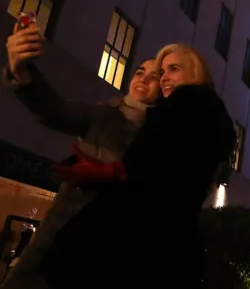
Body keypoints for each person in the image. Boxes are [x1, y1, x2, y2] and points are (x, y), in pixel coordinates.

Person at [42, 43, 236, 289]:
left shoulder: (189, 101)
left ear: (195, 72)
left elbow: (156, 167)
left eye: (173, 69)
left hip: (137, 240)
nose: (164, 77)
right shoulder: (202, 112)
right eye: (162, 72)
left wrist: (108, 172)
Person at [1, 22, 160, 289]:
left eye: (154, 76)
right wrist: (21, 71)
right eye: (140, 71)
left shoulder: (162, 139)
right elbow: (57, 110)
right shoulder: (106, 115)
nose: (143, 78)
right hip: (61, 243)